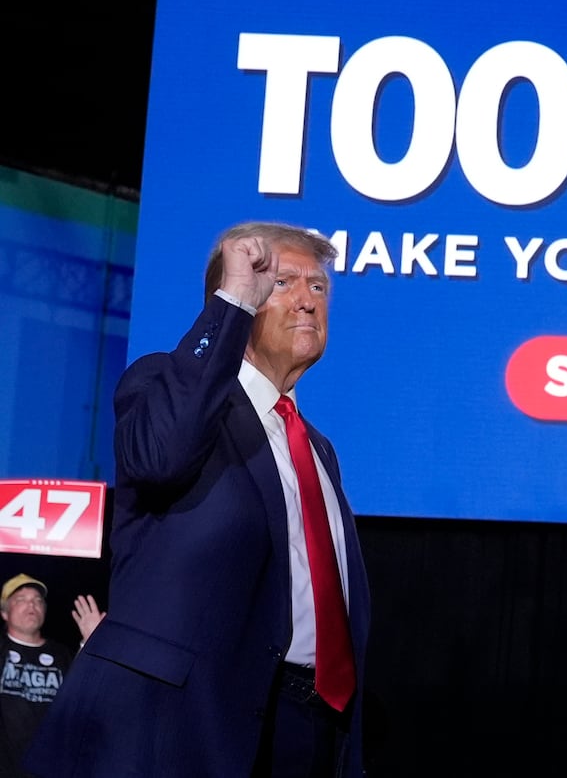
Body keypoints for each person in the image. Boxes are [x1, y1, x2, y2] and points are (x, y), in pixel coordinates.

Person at [26, 223, 371, 777]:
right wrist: (231, 301)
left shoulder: (317, 449)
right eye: (283, 283)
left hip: (301, 729)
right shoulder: (163, 383)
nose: (308, 299)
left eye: (319, 287)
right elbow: (160, 457)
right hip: (178, 725)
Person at [0, 575, 103, 778]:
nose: (32, 604)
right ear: (4, 612)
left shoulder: (61, 654)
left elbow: (84, 697)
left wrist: (92, 645)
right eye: (21, 599)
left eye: (38, 600)